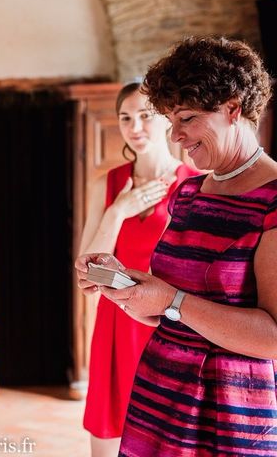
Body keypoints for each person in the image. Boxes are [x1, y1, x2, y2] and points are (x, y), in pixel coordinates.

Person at [76, 36, 277, 456]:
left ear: (232, 108)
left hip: (228, 410)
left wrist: (172, 300)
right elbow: (173, 310)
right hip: (158, 394)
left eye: (185, 117)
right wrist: (131, 290)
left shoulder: (272, 199)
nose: (176, 134)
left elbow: (273, 338)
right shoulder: (188, 193)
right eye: (171, 119)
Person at [79, 82, 199, 456]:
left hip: (168, 326)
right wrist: (118, 211)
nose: (136, 127)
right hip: (115, 324)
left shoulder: (194, 185)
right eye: (126, 118)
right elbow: (86, 274)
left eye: (145, 116)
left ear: (165, 118)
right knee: (106, 436)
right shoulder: (109, 184)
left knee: (166, 439)